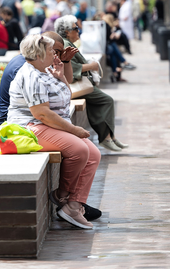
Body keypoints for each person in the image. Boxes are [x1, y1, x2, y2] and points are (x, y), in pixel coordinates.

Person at [6, 33, 101, 229]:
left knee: (93, 154)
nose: (55, 55)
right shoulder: (30, 75)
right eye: (51, 51)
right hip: (29, 127)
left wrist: (60, 76)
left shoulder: (45, 71)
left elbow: (66, 98)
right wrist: (74, 130)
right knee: (80, 150)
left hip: (45, 125)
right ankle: (62, 196)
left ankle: (73, 206)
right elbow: (42, 114)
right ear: (40, 54)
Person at [55, 15, 126, 152]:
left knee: (98, 102)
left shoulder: (67, 43)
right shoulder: (65, 44)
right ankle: (107, 138)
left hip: (75, 84)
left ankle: (109, 136)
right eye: (75, 28)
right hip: (75, 85)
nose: (78, 31)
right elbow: (72, 68)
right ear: (67, 31)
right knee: (107, 100)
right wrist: (92, 66)